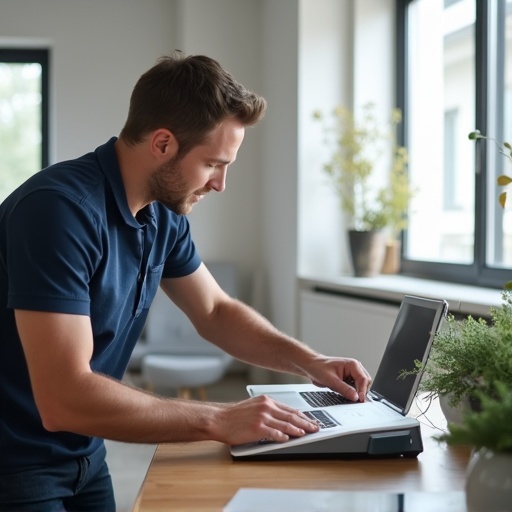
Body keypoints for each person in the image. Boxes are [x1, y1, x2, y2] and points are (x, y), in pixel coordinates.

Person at [0, 51, 371, 511]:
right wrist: (218, 419)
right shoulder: (58, 211)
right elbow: (62, 397)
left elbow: (215, 311)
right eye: (214, 163)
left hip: (85, 455)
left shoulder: (161, 214)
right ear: (162, 144)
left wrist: (311, 362)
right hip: (15, 465)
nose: (221, 184)